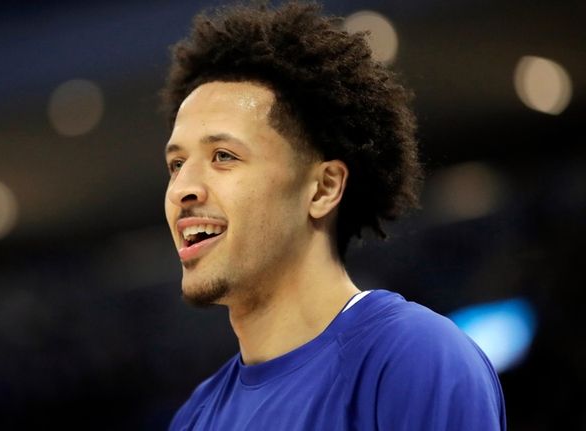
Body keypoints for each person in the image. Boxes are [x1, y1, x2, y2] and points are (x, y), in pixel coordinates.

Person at [160, 1, 506, 430]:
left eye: (223, 156)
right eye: (176, 164)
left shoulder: (411, 356)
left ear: (323, 189)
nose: (182, 189)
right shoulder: (196, 417)